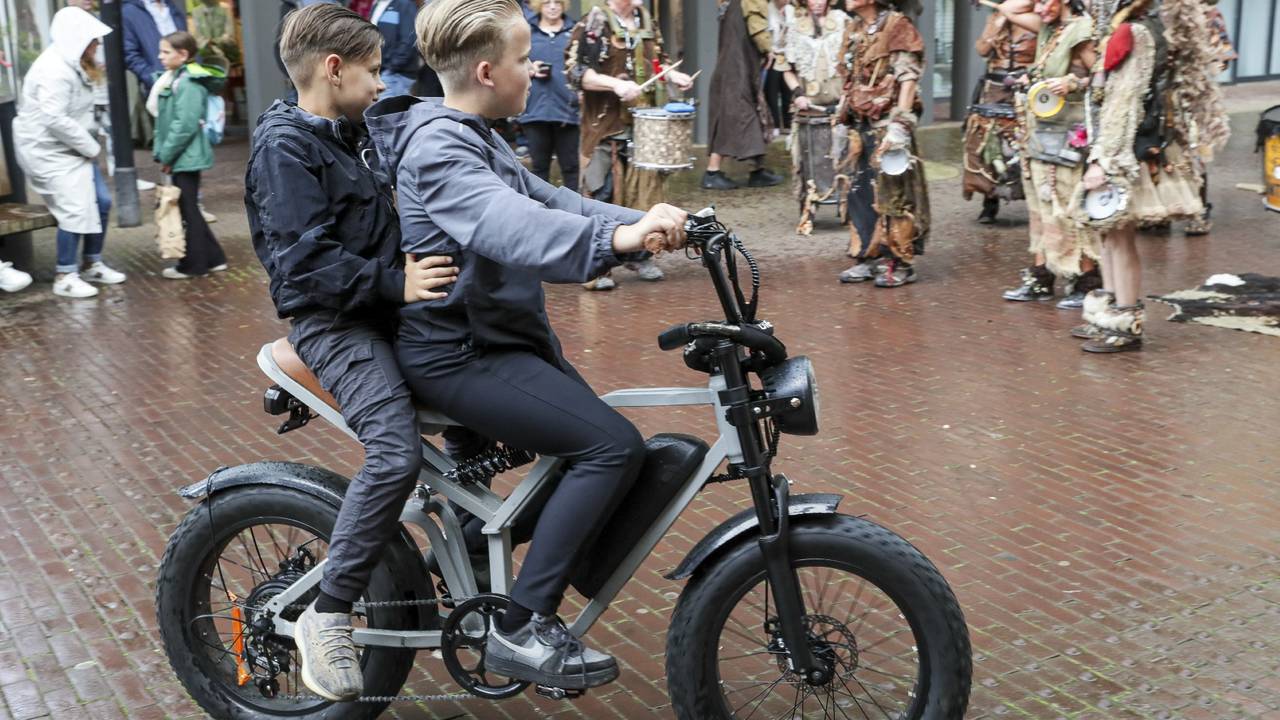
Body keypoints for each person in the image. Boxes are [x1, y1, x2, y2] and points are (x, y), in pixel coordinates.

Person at [367, 0, 688, 689]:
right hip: (456, 354)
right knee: (609, 445)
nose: (533, 68)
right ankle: (522, 627)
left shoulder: (474, 133)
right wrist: (617, 242)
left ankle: (481, 561)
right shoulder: (439, 147)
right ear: (487, 70)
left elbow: (552, 200)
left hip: (496, 344)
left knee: (598, 448)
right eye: (521, 60)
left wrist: (644, 221)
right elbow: (507, 223)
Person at [245, 4, 459, 701]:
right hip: (335, 324)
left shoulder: (345, 129)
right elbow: (304, 269)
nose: (381, 81)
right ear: (333, 70)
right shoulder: (285, 148)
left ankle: (455, 560)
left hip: (378, 307)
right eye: (371, 70)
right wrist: (395, 282)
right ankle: (326, 612)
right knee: (394, 451)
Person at [1073, 0, 1227, 352]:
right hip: (1117, 145)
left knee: (1120, 237)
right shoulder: (1134, 27)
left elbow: (1125, 102)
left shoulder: (1135, 32)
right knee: (1108, 235)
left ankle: (1126, 322)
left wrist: (1103, 160)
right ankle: (1107, 313)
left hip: (1124, 150)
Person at [564, 0, 693, 291]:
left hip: (643, 127)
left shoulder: (646, 21)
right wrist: (615, 85)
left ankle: (640, 255)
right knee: (601, 194)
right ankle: (597, 266)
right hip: (604, 127)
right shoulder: (595, 21)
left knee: (645, 197)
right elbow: (575, 71)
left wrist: (672, 75)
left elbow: (657, 60)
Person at [13, 6, 126, 299]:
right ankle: (65, 274)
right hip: (49, 150)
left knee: (100, 201)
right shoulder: (54, 70)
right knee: (74, 208)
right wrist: (90, 146)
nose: (97, 45)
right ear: (76, 39)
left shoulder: (74, 61)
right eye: (93, 40)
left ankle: (91, 262)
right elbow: (54, 118)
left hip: (73, 148)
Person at [996, 0, 1101, 307]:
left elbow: (1104, 77)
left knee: (1067, 207)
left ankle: (1087, 281)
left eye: (1044, 1)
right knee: (1040, 208)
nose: (1038, 9)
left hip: (1068, 135)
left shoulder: (1081, 30)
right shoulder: (1049, 27)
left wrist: (1072, 82)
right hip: (1039, 132)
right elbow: (1009, 9)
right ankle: (1040, 279)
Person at [837, 0, 929, 288]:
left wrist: (899, 125)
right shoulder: (853, 27)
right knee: (859, 191)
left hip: (886, 126)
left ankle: (898, 261)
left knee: (894, 195)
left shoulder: (897, 25)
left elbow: (908, 76)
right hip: (859, 125)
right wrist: (841, 115)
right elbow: (849, 77)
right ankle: (867, 255)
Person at [151, 31, 227, 278]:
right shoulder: (180, 78)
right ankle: (214, 258)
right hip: (185, 155)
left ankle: (194, 265)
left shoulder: (187, 83)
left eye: (165, 51)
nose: (160, 56)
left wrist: (166, 156)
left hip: (185, 156)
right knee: (189, 205)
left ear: (183, 54)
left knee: (188, 209)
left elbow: (184, 124)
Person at [775, 0, 850, 235]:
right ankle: (808, 207)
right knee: (808, 160)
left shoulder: (844, 22)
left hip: (840, 104)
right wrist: (797, 93)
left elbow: (856, 62)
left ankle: (848, 205)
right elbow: (785, 66)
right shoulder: (795, 26)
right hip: (808, 105)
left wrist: (850, 93)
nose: (817, 1)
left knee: (845, 158)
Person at [962, 0, 1036, 224]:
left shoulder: (1036, 19)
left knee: (1019, 142)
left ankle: (1025, 195)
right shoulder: (996, 18)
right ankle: (989, 199)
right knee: (985, 140)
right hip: (994, 87)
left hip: (1024, 87)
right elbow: (982, 49)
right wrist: (998, 22)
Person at [702, 0, 783, 191]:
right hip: (736, 69)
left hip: (737, 66)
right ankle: (712, 172)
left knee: (750, 113)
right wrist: (768, 49)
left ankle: (757, 170)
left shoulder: (730, 4)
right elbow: (756, 27)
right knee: (734, 115)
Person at [1184, 0, 1235, 236]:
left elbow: (1222, 60)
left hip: (1195, 96)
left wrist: (1201, 67)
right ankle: (1160, 213)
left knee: (1196, 154)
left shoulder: (1210, 16)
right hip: (1166, 95)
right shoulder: (1163, 12)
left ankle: (1198, 211)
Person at [521, 0, 580, 191]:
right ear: (539, 5)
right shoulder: (526, 32)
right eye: (547, 2)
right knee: (539, 168)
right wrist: (529, 68)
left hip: (568, 111)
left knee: (571, 167)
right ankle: (542, 213)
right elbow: (511, 62)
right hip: (535, 109)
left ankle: (574, 214)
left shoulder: (575, 32)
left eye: (557, 2)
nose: (553, 6)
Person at [122, 0, 186, 96]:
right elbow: (130, 55)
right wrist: (154, 79)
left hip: (185, 82)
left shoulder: (172, 7)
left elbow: (186, 44)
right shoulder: (129, 11)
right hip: (158, 89)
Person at [369, 0, 420, 97]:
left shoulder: (405, 5)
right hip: (379, 72)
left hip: (395, 75)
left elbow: (409, 39)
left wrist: (392, 67)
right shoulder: (376, 5)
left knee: (386, 111)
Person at [762, 0, 793, 137]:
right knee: (771, 92)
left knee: (788, 91)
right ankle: (774, 125)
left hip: (788, 56)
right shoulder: (766, 9)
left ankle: (788, 124)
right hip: (772, 56)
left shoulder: (792, 10)